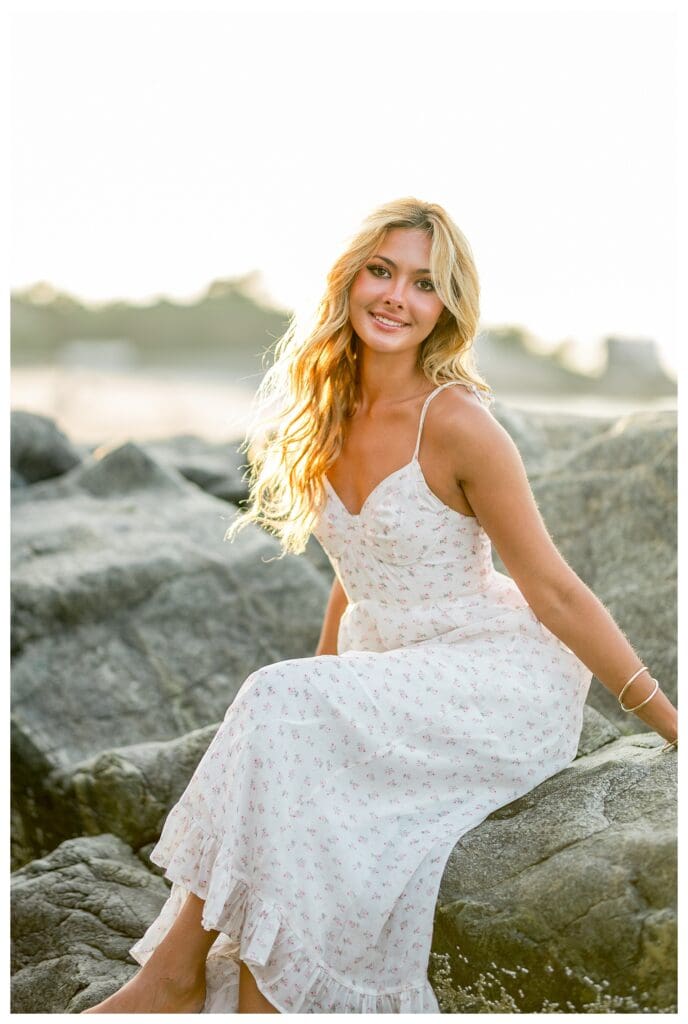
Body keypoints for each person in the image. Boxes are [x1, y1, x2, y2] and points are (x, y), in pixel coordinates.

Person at [82, 197, 678, 1014]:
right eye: (382, 271)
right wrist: (321, 691)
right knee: (285, 723)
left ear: (447, 308)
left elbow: (555, 589)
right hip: (391, 666)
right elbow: (354, 567)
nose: (398, 296)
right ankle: (248, 989)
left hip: (493, 677)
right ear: (350, 279)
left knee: (274, 698)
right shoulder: (321, 412)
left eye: (425, 284)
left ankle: (174, 974)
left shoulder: (459, 423)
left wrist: (669, 723)